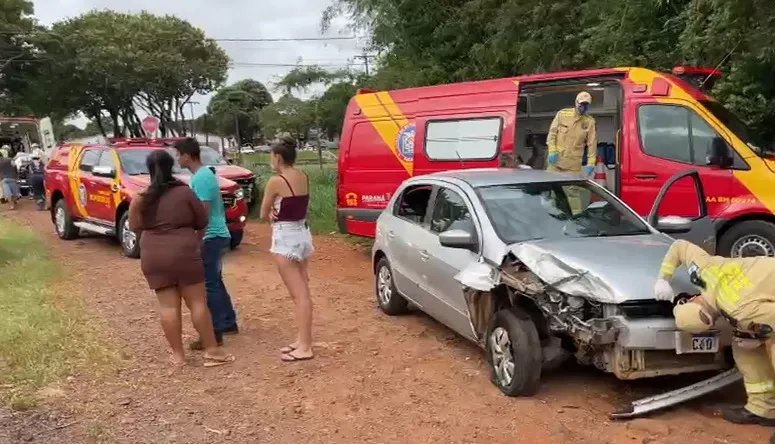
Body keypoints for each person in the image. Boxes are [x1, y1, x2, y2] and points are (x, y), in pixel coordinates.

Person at [654, 239, 775, 441]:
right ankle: (763, 409)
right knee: (744, 350)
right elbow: (680, 246)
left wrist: (761, 334)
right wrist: (663, 278)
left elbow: (765, 317)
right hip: (760, 295)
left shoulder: (740, 309)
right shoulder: (705, 271)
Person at [128, 150, 234, 368]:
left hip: (154, 255)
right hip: (185, 252)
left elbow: (134, 226)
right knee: (197, 302)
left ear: (149, 170)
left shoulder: (141, 197)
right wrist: (193, 240)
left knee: (167, 307)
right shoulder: (184, 193)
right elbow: (202, 220)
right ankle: (212, 351)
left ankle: (178, 356)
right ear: (171, 167)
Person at [173, 138, 239, 350]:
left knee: (208, 285)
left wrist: (196, 239)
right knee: (215, 281)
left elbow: (203, 213)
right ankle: (228, 322)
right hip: (217, 234)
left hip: (211, 235)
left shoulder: (201, 178)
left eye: (179, 154)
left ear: (187, 155)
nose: (177, 158)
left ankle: (215, 331)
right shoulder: (204, 175)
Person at [260, 134, 315, 362]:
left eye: (272, 156)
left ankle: (305, 346)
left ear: (279, 158)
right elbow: (304, 206)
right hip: (302, 234)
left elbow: (263, 213)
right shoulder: (303, 175)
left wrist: (272, 209)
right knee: (302, 290)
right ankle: (302, 341)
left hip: (285, 238)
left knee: (299, 295)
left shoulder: (276, 181)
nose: (271, 161)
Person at [546, 91, 597, 213]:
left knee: (573, 194)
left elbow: (591, 143)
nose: (583, 107)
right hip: (556, 163)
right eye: (581, 104)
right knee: (553, 193)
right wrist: (552, 150)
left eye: (586, 105)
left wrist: (591, 162)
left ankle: (577, 221)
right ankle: (552, 220)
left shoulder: (589, 122)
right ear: (576, 103)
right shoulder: (563, 115)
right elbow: (552, 134)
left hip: (573, 164)